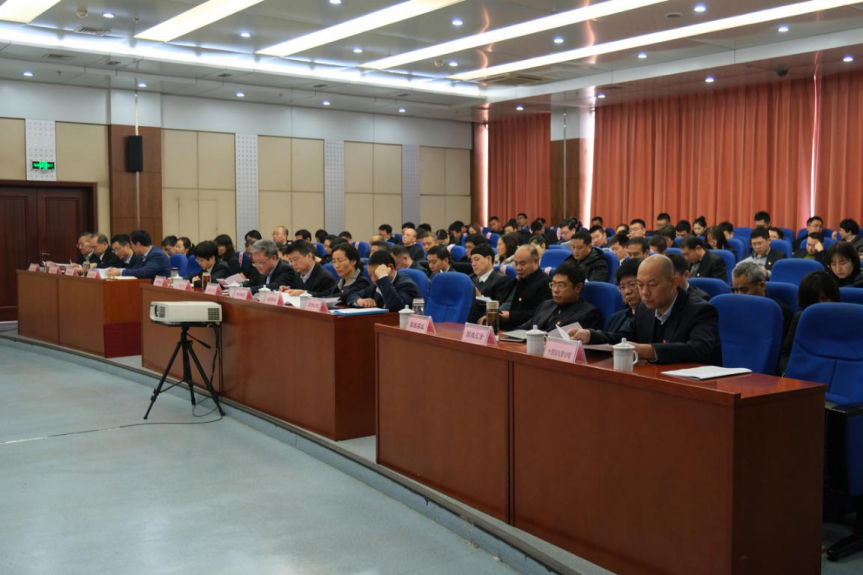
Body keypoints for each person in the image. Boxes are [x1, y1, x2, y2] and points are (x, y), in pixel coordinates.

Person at [569, 255, 722, 365]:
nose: (645, 293)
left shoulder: (700, 310)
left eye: (652, 285)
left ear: (674, 282)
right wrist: (591, 335)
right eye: (640, 285)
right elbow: (624, 338)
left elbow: (700, 349)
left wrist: (649, 351)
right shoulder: (644, 308)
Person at [777, 272, 840, 375]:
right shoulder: (800, 318)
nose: (819, 305)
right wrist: (788, 373)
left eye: (825, 298)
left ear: (834, 295)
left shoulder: (846, 322)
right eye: (813, 301)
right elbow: (785, 354)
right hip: (801, 376)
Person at [517, 261, 601, 331]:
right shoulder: (546, 305)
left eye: (561, 285)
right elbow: (523, 329)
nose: (555, 290)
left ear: (578, 287)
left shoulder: (588, 314)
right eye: (553, 284)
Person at [497, 245, 552, 331]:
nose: (518, 268)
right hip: (501, 325)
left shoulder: (545, 283)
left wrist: (511, 316)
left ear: (536, 261)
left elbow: (540, 314)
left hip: (522, 331)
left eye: (522, 264)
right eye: (515, 263)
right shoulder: (515, 280)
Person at [731, 261, 793, 336]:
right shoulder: (733, 308)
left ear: (762, 285)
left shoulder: (781, 312)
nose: (738, 295)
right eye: (735, 290)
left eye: (744, 290)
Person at [349, 250, 421, 312]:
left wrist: (383, 277)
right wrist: (359, 301)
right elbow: (351, 296)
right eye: (370, 275)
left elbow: (396, 307)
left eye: (376, 274)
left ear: (390, 267)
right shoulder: (376, 285)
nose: (373, 279)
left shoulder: (407, 285)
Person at [106, 230, 171, 279]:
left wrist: (120, 272)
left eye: (132, 245)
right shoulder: (142, 255)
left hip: (158, 289)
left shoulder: (157, 255)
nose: (131, 247)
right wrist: (117, 270)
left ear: (138, 244)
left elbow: (144, 272)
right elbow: (134, 269)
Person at [605, 258, 642, 334]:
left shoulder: (654, 319)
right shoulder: (615, 318)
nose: (627, 292)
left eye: (632, 284)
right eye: (622, 287)